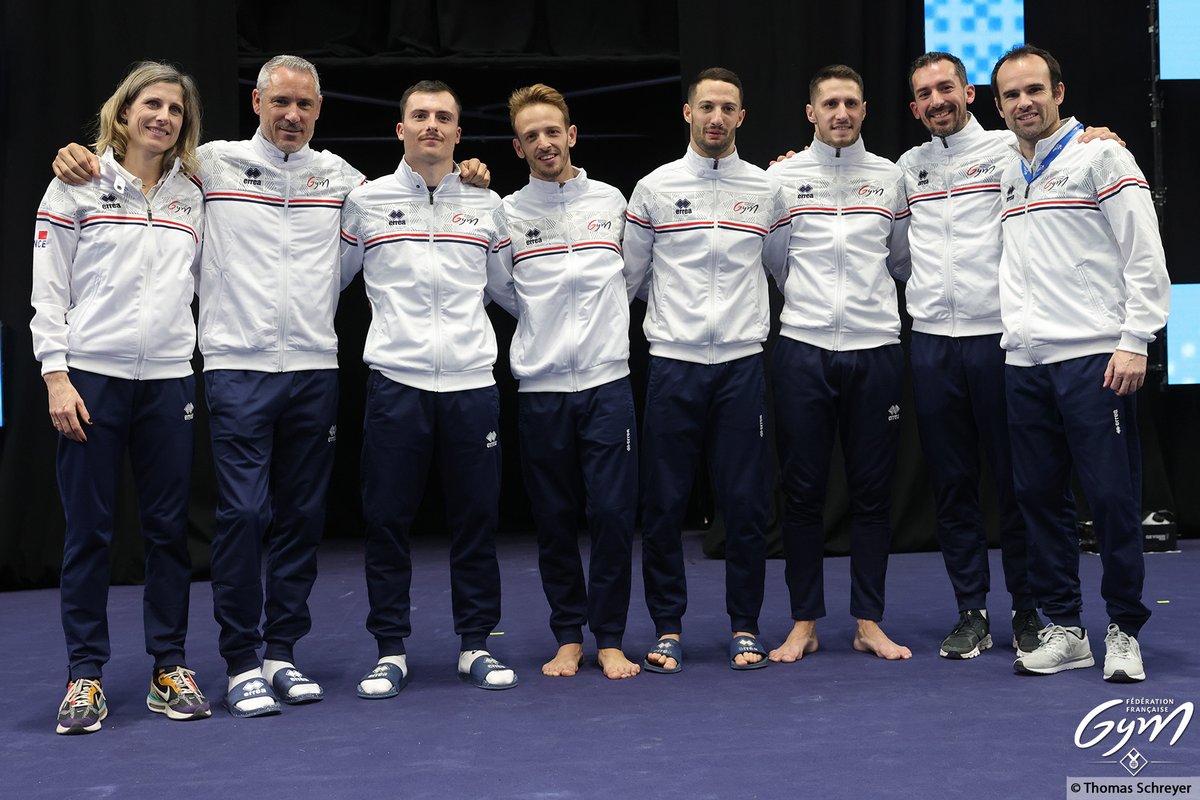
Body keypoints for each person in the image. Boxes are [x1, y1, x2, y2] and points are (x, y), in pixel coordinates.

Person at [52, 55, 493, 717]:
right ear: (256, 101)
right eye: (280, 102)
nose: (292, 116)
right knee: (242, 515)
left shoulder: (341, 179)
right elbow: (135, 157)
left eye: (305, 106)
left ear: (318, 111)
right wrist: (81, 155)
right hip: (234, 366)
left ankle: (282, 654)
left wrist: (467, 175)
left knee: (299, 520)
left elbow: (400, 204)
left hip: (314, 369)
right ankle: (239, 663)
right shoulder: (208, 165)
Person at [33, 61, 209, 734]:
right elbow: (48, 289)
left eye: (175, 109)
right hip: (91, 380)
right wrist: (56, 374)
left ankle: (170, 667)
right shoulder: (74, 182)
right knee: (90, 534)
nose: (162, 116)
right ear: (125, 111)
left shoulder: (194, 193)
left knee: (170, 534)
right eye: (151, 104)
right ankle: (85, 678)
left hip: (169, 382)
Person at [991, 45, 1169, 681]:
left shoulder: (1103, 154)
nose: (1024, 103)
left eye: (1034, 90)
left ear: (1059, 92)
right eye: (1011, 95)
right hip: (1025, 362)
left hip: (1096, 357)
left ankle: (1123, 627)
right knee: (1038, 499)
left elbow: (1144, 253)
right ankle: (1066, 628)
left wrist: (1136, 340)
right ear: (999, 105)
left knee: (1113, 499)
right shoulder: (1010, 169)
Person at [340, 80, 518, 697]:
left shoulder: (487, 205)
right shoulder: (363, 203)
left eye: (444, 117)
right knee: (387, 520)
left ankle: (476, 644)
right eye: (420, 116)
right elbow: (326, 282)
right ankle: (390, 650)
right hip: (396, 382)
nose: (432, 126)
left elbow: (510, 291)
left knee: (477, 520)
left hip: (473, 384)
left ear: (459, 133)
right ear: (401, 129)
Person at [623, 67, 790, 673]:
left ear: (742, 117)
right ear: (687, 114)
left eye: (728, 108)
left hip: (743, 366)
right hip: (673, 365)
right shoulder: (653, 189)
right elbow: (631, 280)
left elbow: (781, 270)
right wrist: (679, 324)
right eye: (706, 107)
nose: (717, 118)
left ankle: (745, 626)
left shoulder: (767, 191)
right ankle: (667, 627)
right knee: (663, 503)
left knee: (746, 505)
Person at [765, 65, 912, 664]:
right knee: (802, 493)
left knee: (873, 493)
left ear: (865, 109)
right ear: (811, 113)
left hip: (876, 350)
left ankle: (868, 621)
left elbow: (900, 261)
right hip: (802, 347)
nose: (841, 113)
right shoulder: (780, 177)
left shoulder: (892, 177)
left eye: (852, 102)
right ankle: (803, 622)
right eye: (830, 103)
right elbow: (776, 261)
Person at [497, 83, 640, 680]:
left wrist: (600, 332)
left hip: (608, 385)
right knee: (554, 519)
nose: (544, 143)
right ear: (518, 146)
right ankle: (567, 637)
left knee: (611, 515)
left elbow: (631, 278)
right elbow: (502, 290)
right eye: (531, 135)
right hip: (542, 391)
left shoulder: (612, 201)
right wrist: (544, 332)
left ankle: (609, 637)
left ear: (571, 135)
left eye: (552, 131)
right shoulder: (505, 212)